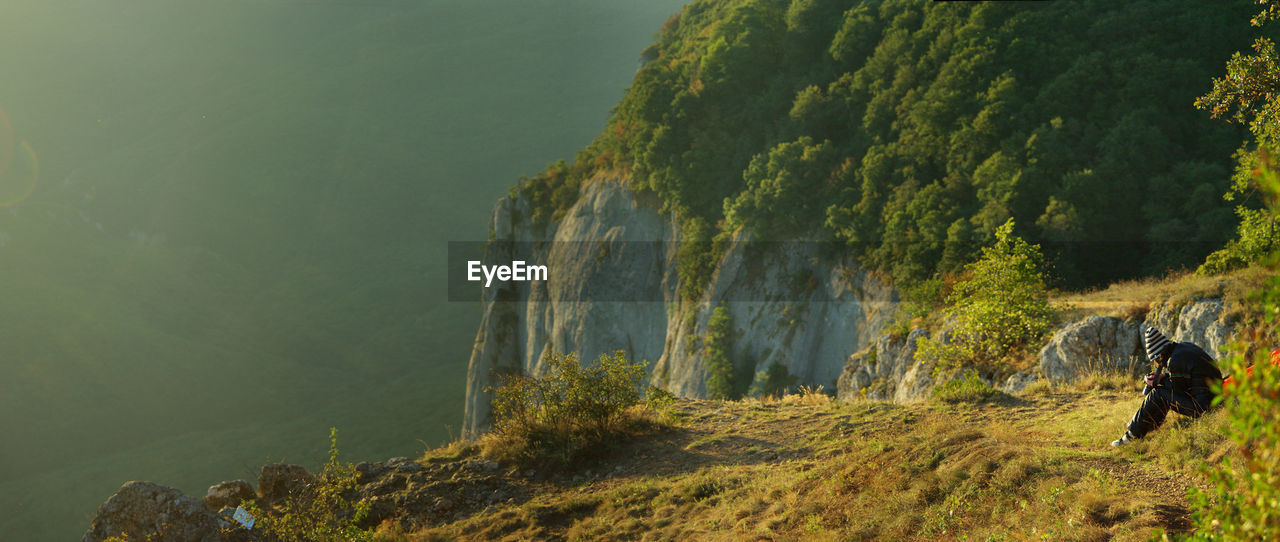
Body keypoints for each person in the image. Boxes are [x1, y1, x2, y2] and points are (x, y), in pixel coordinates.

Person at [1111, 326, 1223, 447]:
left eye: (1156, 361)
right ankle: (1147, 429)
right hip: (1216, 395)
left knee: (1158, 394)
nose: (1158, 364)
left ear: (1160, 355)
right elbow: (1185, 380)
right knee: (1162, 393)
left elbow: (1177, 390)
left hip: (1204, 406)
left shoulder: (1175, 361)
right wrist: (1163, 378)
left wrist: (1159, 381)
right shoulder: (1183, 348)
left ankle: (1132, 435)